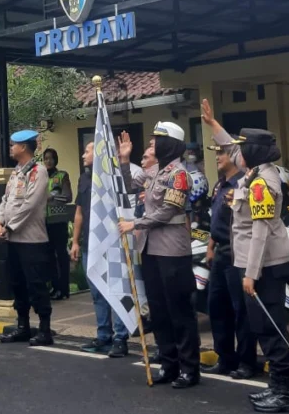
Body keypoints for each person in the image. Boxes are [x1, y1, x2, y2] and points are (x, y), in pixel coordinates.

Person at [208, 121, 289, 414]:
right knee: (263, 327)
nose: (236, 152)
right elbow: (232, 146)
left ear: (252, 151)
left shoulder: (262, 182)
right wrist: (213, 125)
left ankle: (286, 391)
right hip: (253, 263)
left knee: (270, 327)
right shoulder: (255, 174)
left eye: (242, 147)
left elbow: (260, 232)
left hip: (263, 267)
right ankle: (278, 386)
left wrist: (250, 274)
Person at [118, 122, 202, 389]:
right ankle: (169, 363)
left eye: (157, 140)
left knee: (179, 310)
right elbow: (129, 184)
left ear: (171, 144)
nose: (152, 144)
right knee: (159, 310)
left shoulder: (179, 174)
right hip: (151, 249)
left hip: (172, 250)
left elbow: (167, 210)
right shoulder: (154, 171)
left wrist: (136, 224)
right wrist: (124, 159)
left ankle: (189, 368)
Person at [198, 100, 257, 379]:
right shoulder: (221, 184)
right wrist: (211, 246)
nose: (218, 157)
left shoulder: (245, 179)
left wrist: (212, 124)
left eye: (221, 153)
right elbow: (217, 220)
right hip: (221, 251)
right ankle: (226, 358)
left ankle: (247, 361)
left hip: (239, 251)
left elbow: (233, 146)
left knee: (241, 309)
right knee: (217, 306)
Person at [71, 142, 130, 357]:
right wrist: (75, 241)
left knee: (115, 290)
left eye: (87, 151)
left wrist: (123, 160)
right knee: (97, 293)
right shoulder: (84, 178)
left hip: (111, 243)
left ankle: (120, 338)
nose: (83, 154)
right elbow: (79, 212)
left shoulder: (113, 176)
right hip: (90, 245)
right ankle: (103, 335)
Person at [0, 129, 54, 346]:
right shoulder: (17, 172)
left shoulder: (38, 172)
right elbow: (5, 199)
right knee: (17, 283)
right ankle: (23, 327)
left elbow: (29, 205)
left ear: (24, 147)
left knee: (36, 284)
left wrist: (9, 226)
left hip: (32, 240)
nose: (11, 148)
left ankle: (45, 330)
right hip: (13, 240)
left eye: (13, 145)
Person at [44, 148, 74, 300]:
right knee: (48, 256)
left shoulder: (62, 175)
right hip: (44, 221)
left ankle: (64, 289)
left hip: (59, 220)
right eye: (45, 158)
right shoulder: (41, 177)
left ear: (55, 160)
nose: (48, 161)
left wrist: (52, 198)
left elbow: (68, 197)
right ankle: (54, 287)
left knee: (61, 255)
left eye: (51, 158)